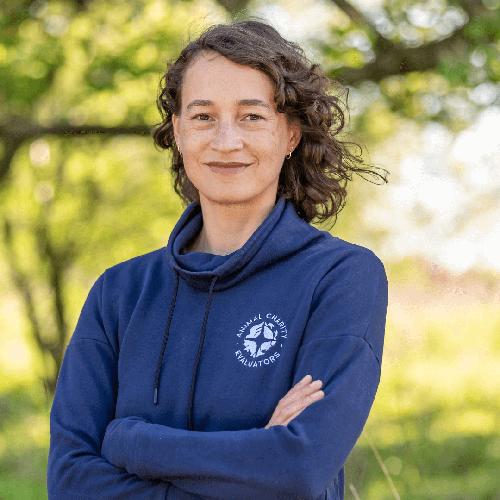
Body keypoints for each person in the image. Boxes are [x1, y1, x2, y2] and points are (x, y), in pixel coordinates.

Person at [47, 18, 389, 500]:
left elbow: (299, 469)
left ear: (290, 134)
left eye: (252, 117)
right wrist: (256, 460)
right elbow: (70, 482)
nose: (226, 141)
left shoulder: (340, 278)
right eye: (204, 116)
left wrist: (132, 442)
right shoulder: (119, 293)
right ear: (178, 132)